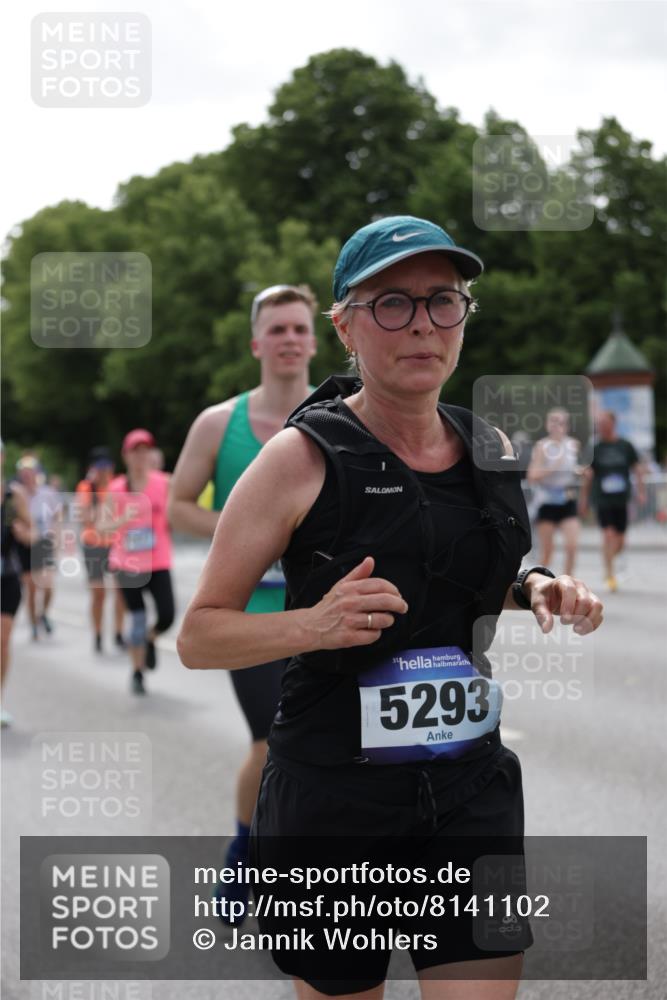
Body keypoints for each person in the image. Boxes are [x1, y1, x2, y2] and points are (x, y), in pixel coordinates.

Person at [177, 216, 604, 999]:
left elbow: (464, 572)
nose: (422, 325)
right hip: (335, 799)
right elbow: (200, 636)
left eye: (443, 301)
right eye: (392, 304)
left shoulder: (487, 448)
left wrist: (535, 585)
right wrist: (315, 624)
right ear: (345, 323)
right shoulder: (299, 458)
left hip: (468, 786)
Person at [169, 284, 317, 918]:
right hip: (249, 615)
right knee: (270, 744)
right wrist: (247, 529)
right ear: (258, 342)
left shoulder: (345, 414)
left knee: (328, 748)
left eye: (299, 328)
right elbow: (177, 505)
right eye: (277, 329)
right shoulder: (217, 423)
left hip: (324, 615)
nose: (288, 339)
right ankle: (243, 857)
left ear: (317, 340)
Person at [105, 430, 175, 694]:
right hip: (127, 564)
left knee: (167, 615)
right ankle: (137, 672)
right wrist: (121, 520)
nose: (140, 456)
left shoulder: (164, 483)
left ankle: (151, 637)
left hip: (158, 561)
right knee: (136, 618)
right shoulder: (116, 488)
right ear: (126, 455)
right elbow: (101, 525)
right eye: (135, 450)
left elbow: (178, 512)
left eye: (145, 450)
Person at [578, 410, 646, 592]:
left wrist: (641, 491)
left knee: (621, 540)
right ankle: (610, 573)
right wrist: (583, 500)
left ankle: (609, 560)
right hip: (602, 499)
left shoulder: (625, 445)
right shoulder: (595, 448)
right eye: (598, 424)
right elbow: (588, 475)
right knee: (608, 534)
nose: (600, 427)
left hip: (621, 499)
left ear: (613, 424)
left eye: (604, 423)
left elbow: (637, 469)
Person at [75, 447, 126, 653]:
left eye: (107, 467)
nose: (104, 471)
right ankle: (97, 633)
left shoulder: (119, 485)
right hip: (93, 545)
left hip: (116, 544)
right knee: (99, 594)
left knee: (121, 592)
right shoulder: (86, 488)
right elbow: (87, 518)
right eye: (100, 467)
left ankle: (118, 633)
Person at [1, 441, 34, 726]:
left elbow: (30, 530)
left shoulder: (12, 496)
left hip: (7, 575)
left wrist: (24, 532)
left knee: (2, 640)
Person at [526, 408, 582, 575]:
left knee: (572, 546)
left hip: (567, 498)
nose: (557, 426)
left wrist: (582, 472)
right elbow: (532, 475)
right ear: (548, 424)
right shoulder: (542, 446)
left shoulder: (573, 445)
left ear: (567, 425)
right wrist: (552, 468)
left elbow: (574, 470)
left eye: (561, 422)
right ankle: (540, 584)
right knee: (547, 551)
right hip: (547, 501)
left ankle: (568, 583)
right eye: (554, 421)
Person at [15, 454, 62, 640]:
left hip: (43, 543)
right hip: (25, 544)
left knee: (48, 586)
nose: (27, 475)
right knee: (32, 589)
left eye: (30, 471)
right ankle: (34, 624)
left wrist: (56, 536)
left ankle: (43, 615)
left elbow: (57, 517)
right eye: (24, 472)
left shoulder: (48, 494)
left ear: (36, 473)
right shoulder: (16, 493)